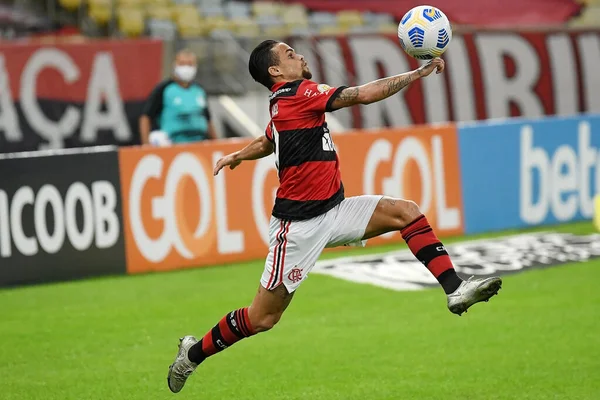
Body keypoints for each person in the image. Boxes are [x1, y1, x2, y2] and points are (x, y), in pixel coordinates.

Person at [167, 40, 502, 393]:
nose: (299, 55)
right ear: (275, 72)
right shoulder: (299, 93)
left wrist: (238, 154)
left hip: (335, 209)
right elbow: (364, 94)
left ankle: (455, 289)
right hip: (297, 229)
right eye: (289, 54)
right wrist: (418, 72)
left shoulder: (285, 103)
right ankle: (192, 354)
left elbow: (268, 140)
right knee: (262, 318)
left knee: (406, 213)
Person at [139, 49, 217, 146]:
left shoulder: (199, 90)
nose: (186, 68)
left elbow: (207, 119)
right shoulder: (164, 88)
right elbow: (146, 117)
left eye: (190, 64)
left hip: (199, 142)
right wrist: (146, 145)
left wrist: (216, 143)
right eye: (182, 64)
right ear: (175, 65)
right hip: (172, 144)